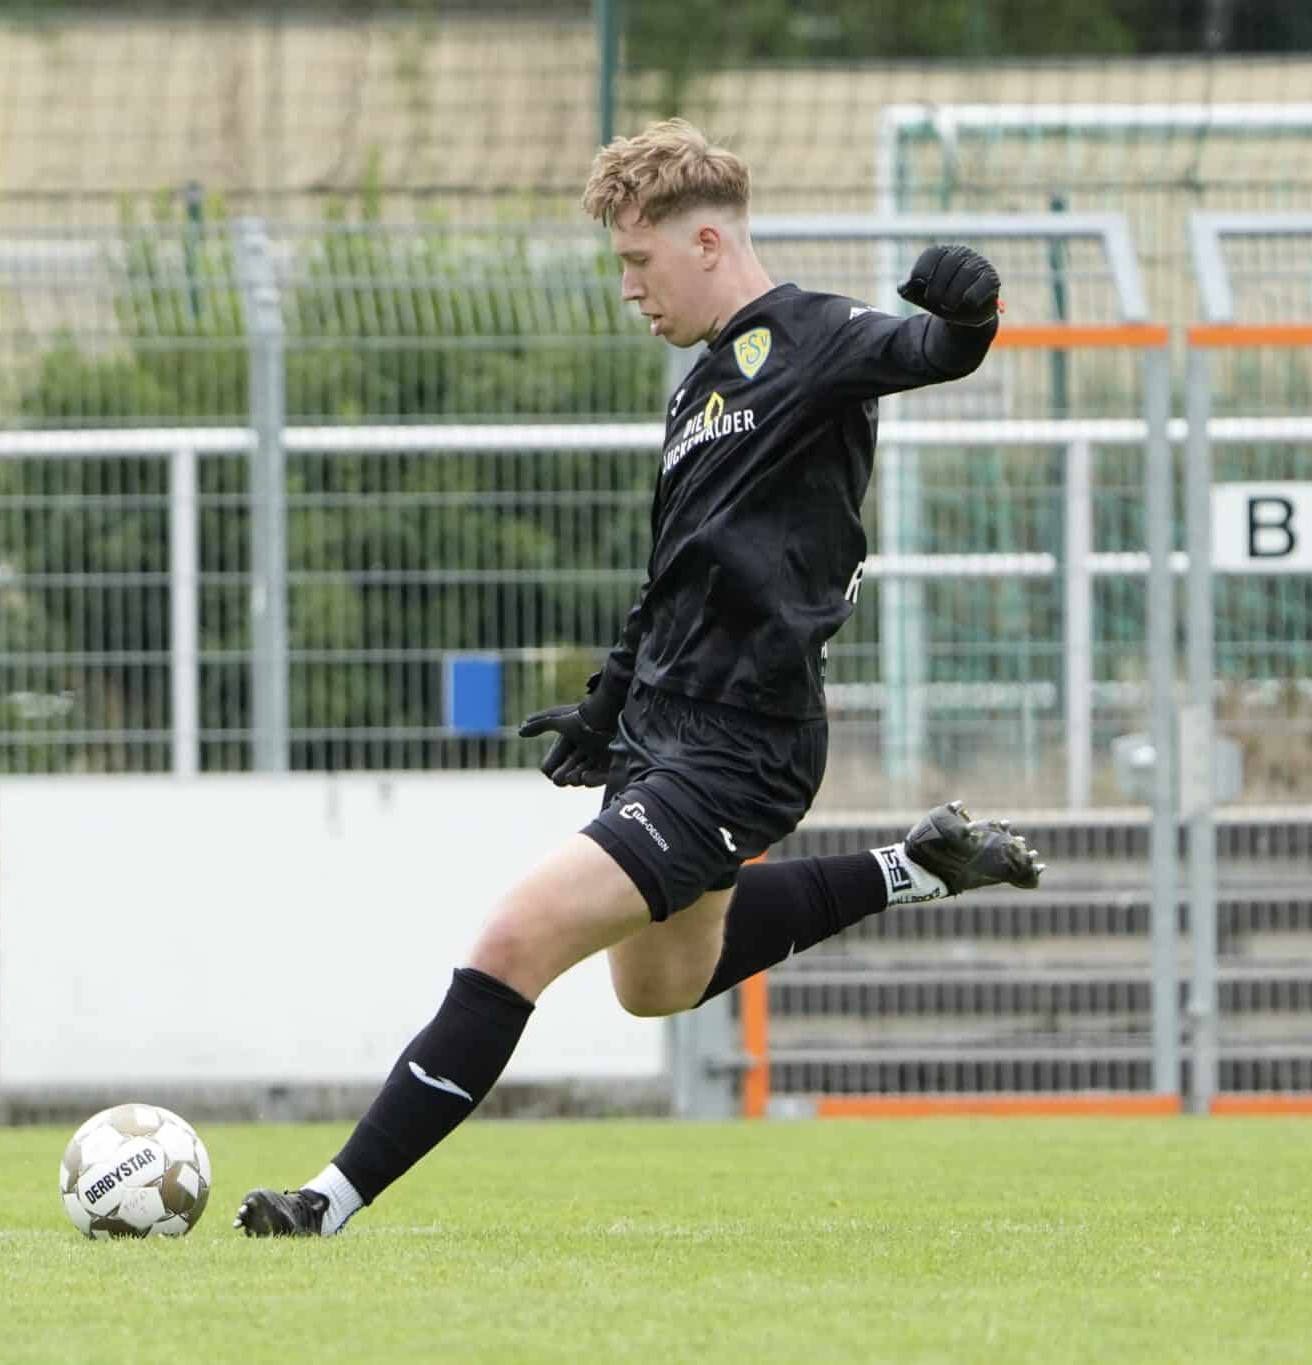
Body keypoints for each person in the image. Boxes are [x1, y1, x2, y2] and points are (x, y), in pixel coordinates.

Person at [237, 119, 1044, 1238]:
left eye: (635, 260)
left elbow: (934, 352)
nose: (628, 289)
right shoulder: (696, 390)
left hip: (738, 745)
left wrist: (971, 309)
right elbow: (674, 568)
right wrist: (611, 698)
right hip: (665, 730)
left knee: (514, 939)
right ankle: (912, 868)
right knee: (655, 987)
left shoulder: (814, 338)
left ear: (705, 240)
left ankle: (324, 1204)